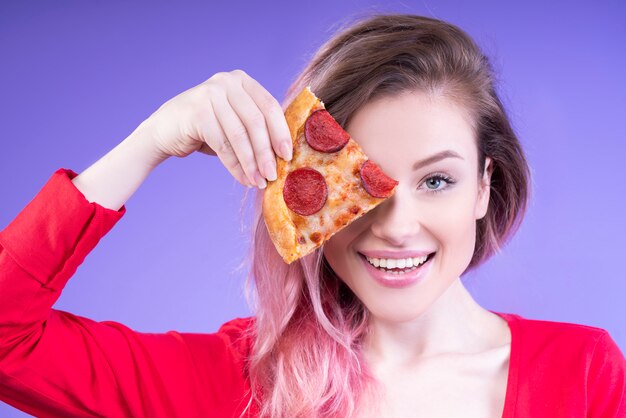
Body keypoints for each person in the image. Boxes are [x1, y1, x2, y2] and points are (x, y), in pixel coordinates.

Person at [0, 13, 624, 418]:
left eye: (437, 179)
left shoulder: (585, 373)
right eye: (363, 183)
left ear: (485, 188)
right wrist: (150, 141)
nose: (396, 225)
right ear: (312, 193)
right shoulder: (235, 382)